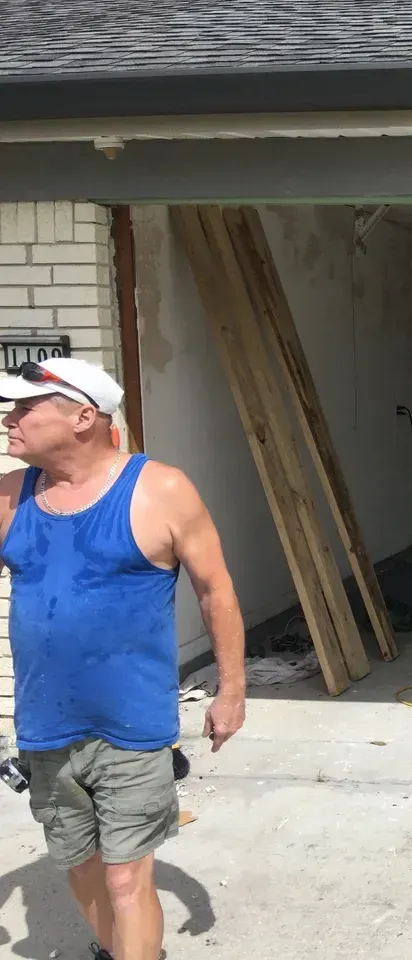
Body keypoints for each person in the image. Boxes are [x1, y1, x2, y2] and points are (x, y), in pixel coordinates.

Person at [0, 358, 245, 960]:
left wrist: (231, 690)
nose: (9, 421)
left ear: (83, 417)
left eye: (25, 409)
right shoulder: (10, 496)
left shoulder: (160, 489)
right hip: (45, 725)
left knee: (124, 874)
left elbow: (216, 591)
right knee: (80, 865)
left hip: (133, 725)